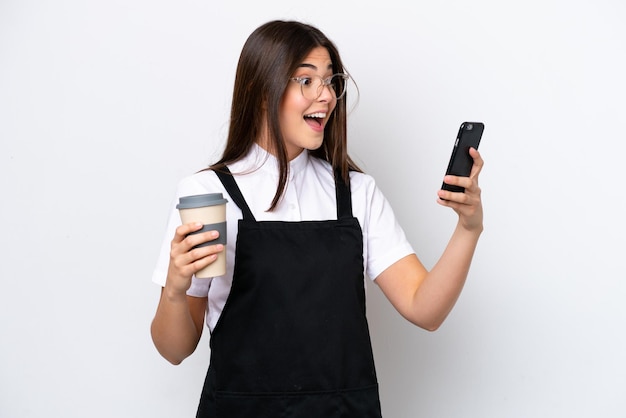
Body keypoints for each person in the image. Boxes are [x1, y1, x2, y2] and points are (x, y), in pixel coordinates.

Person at [150, 19, 484, 418]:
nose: (325, 96)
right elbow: (175, 350)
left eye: (330, 81)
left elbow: (424, 310)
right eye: (306, 81)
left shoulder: (356, 193)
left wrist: (468, 229)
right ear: (261, 92)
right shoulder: (209, 195)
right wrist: (174, 288)